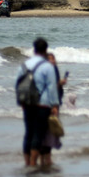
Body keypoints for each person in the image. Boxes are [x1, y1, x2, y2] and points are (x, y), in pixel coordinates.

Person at [19, 37, 60, 168]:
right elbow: (52, 87)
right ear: (45, 50)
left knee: (28, 133)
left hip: (28, 103)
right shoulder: (47, 67)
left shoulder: (25, 64)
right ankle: (33, 163)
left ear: (34, 49)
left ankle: (27, 163)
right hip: (43, 105)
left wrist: (22, 102)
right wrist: (55, 104)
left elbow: (18, 84)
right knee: (38, 134)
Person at [40, 53, 68, 161]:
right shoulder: (46, 71)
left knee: (51, 130)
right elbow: (50, 87)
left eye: (53, 59)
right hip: (49, 104)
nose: (52, 61)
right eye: (49, 59)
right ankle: (45, 157)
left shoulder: (54, 69)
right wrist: (59, 83)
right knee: (48, 130)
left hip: (54, 103)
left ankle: (47, 156)